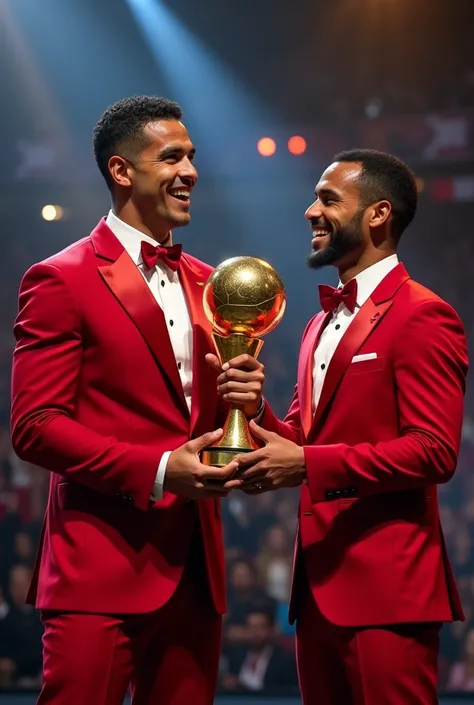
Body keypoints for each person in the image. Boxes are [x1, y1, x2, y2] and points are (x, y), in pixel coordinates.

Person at [209, 149, 469, 704]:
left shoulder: (424, 314)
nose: (310, 211)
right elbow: (302, 438)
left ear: (378, 214)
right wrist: (255, 414)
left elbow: (434, 452)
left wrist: (307, 464)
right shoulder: (316, 323)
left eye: (328, 198)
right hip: (317, 589)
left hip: (387, 592)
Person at [11, 96, 240, 705]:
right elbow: (35, 426)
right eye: (172, 157)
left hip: (196, 571)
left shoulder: (211, 283)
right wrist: (162, 470)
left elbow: (221, 417)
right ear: (121, 170)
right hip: (99, 568)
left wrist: (250, 405)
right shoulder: (61, 278)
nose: (190, 170)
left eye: (192, 156)